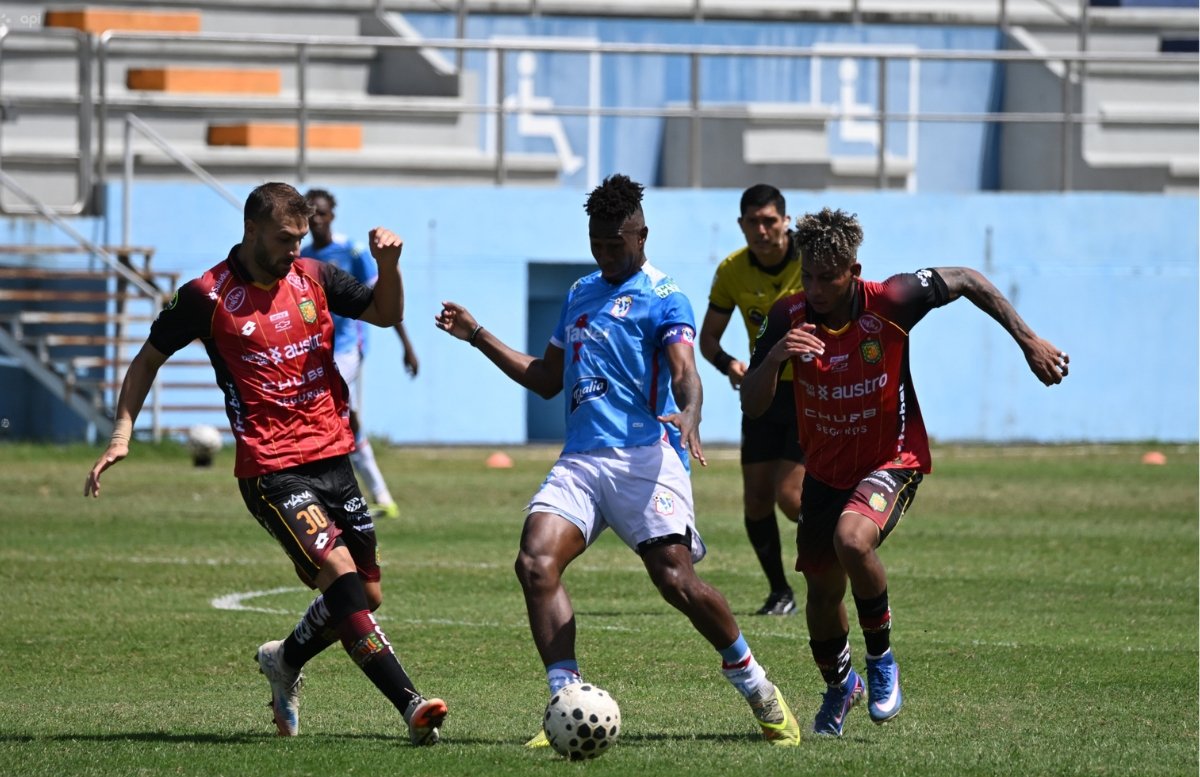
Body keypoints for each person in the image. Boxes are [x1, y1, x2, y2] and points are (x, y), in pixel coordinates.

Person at [435, 174, 801, 747]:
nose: (605, 255)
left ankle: (758, 688)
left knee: (675, 579)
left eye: (616, 244)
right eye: (597, 244)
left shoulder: (664, 295)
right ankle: (565, 698)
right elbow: (547, 380)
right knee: (535, 563)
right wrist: (477, 334)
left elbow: (685, 369)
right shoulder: (580, 293)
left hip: (644, 457)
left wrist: (691, 413)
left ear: (642, 234)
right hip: (581, 461)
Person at [84, 182, 447, 746]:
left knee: (365, 595)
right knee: (344, 582)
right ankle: (411, 704)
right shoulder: (207, 295)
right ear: (251, 230)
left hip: (333, 454)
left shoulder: (316, 278)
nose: (294, 250)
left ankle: (286, 659)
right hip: (271, 468)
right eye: (284, 239)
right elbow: (148, 357)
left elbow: (384, 311)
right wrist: (122, 433)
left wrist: (389, 266)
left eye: (300, 238)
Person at [740, 207, 1069, 737]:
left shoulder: (891, 301)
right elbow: (753, 406)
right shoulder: (786, 317)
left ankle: (881, 658)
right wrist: (776, 355)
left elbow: (966, 280)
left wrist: (1028, 340)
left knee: (853, 539)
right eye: (809, 276)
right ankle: (841, 686)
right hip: (824, 472)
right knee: (822, 600)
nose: (817, 288)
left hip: (891, 459)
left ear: (854, 269)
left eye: (829, 277)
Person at [699, 184, 805, 617]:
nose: (761, 230)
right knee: (757, 500)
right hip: (763, 392)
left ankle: (843, 550)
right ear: (742, 225)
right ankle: (780, 592)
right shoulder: (732, 272)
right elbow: (708, 339)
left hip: (810, 393)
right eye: (753, 222)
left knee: (790, 496)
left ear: (786, 221)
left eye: (769, 221)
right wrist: (728, 364)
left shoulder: (811, 261)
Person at [303, 187, 419, 520]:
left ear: (332, 215)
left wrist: (406, 346)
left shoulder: (351, 251)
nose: (316, 219)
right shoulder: (303, 256)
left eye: (322, 212)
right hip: (318, 349)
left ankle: (333, 492)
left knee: (329, 408)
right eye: (311, 213)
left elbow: (382, 300)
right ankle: (381, 496)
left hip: (347, 346)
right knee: (347, 419)